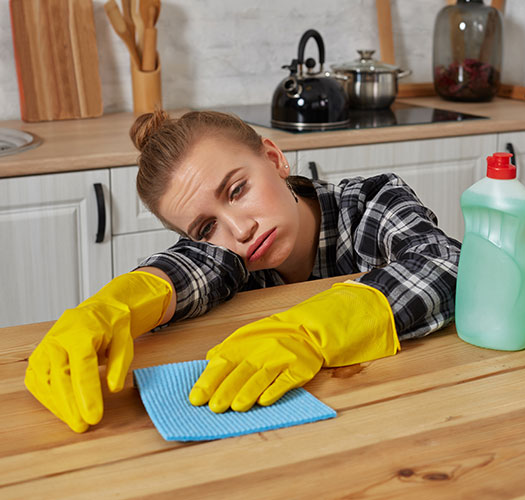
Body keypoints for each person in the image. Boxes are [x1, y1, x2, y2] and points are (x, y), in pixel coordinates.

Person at [25, 110, 461, 433]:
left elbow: (445, 262)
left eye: (237, 190)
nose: (240, 230)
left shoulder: (371, 203)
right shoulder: (226, 255)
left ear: (274, 159)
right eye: (206, 226)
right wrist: (111, 306)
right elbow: (192, 266)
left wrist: (309, 332)